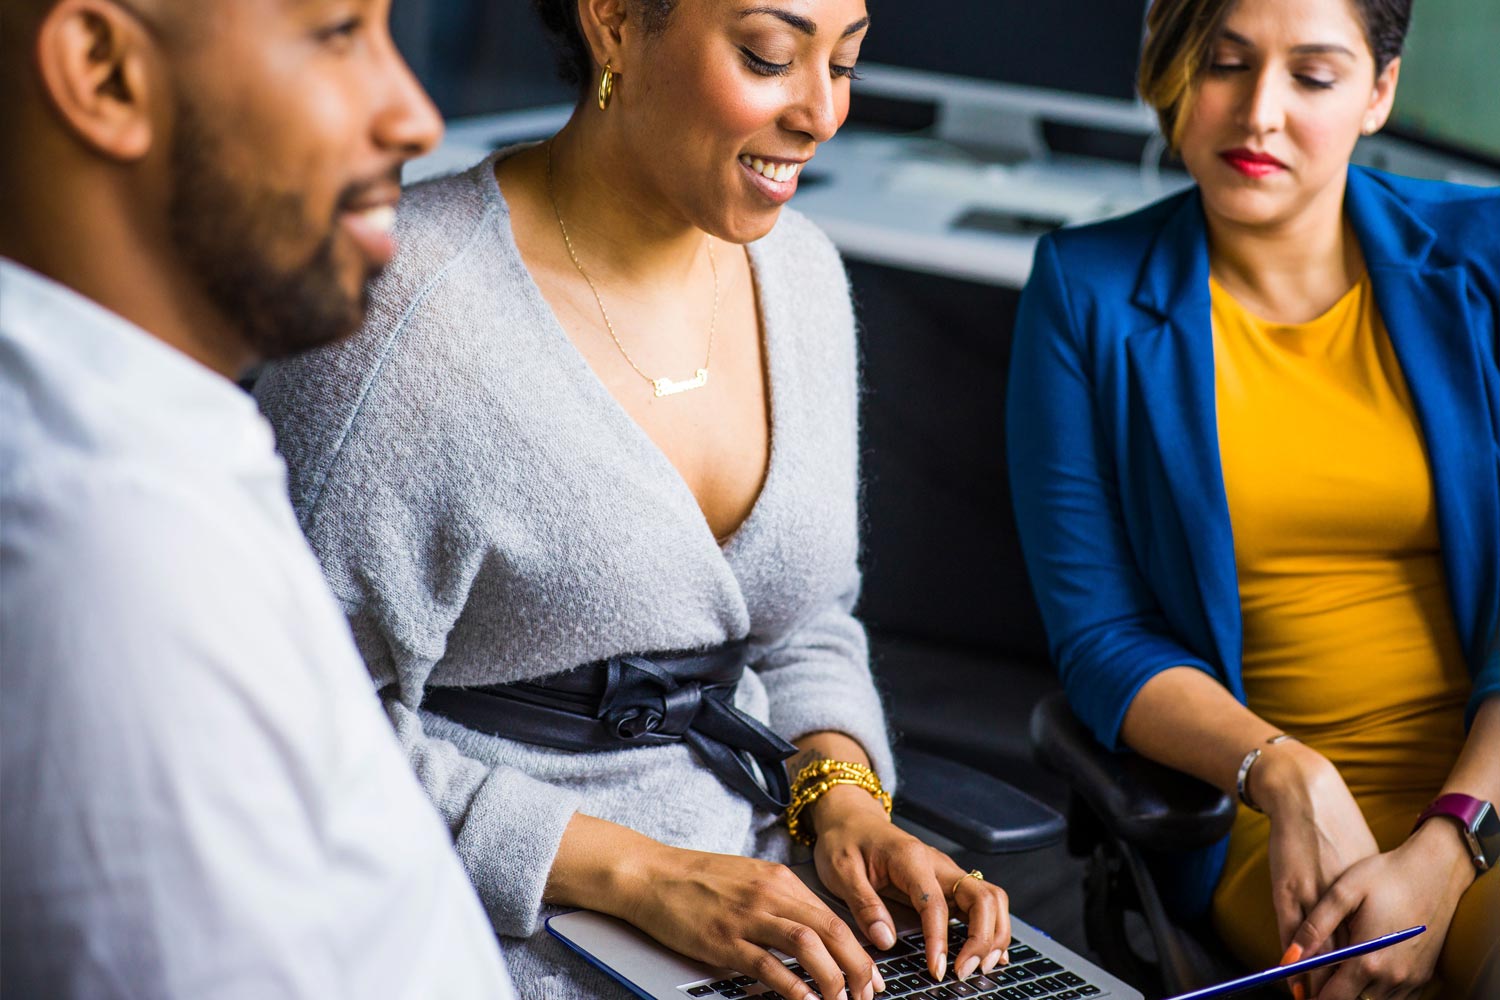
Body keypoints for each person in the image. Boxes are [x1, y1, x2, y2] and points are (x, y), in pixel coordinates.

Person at [253, 0, 1014, 997]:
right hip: (487, 928)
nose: (822, 112)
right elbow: (286, 740)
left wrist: (846, 805)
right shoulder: (400, 314)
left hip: (783, 924)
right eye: (770, 55)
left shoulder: (803, 276)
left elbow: (804, 625)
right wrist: (641, 874)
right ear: (613, 22)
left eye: (847, 63)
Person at [0, 1, 515, 996]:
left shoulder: (144, 441)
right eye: (339, 35)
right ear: (105, 75)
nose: (415, 116)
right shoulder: (112, 559)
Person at [1007, 0, 1499, 997]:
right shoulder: (1083, 291)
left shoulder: (1485, 258)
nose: (1258, 111)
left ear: (1380, 92)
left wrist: (1453, 842)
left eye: (1313, 77)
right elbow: (1102, 638)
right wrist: (1287, 775)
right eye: (1225, 64)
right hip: (1270, 825)